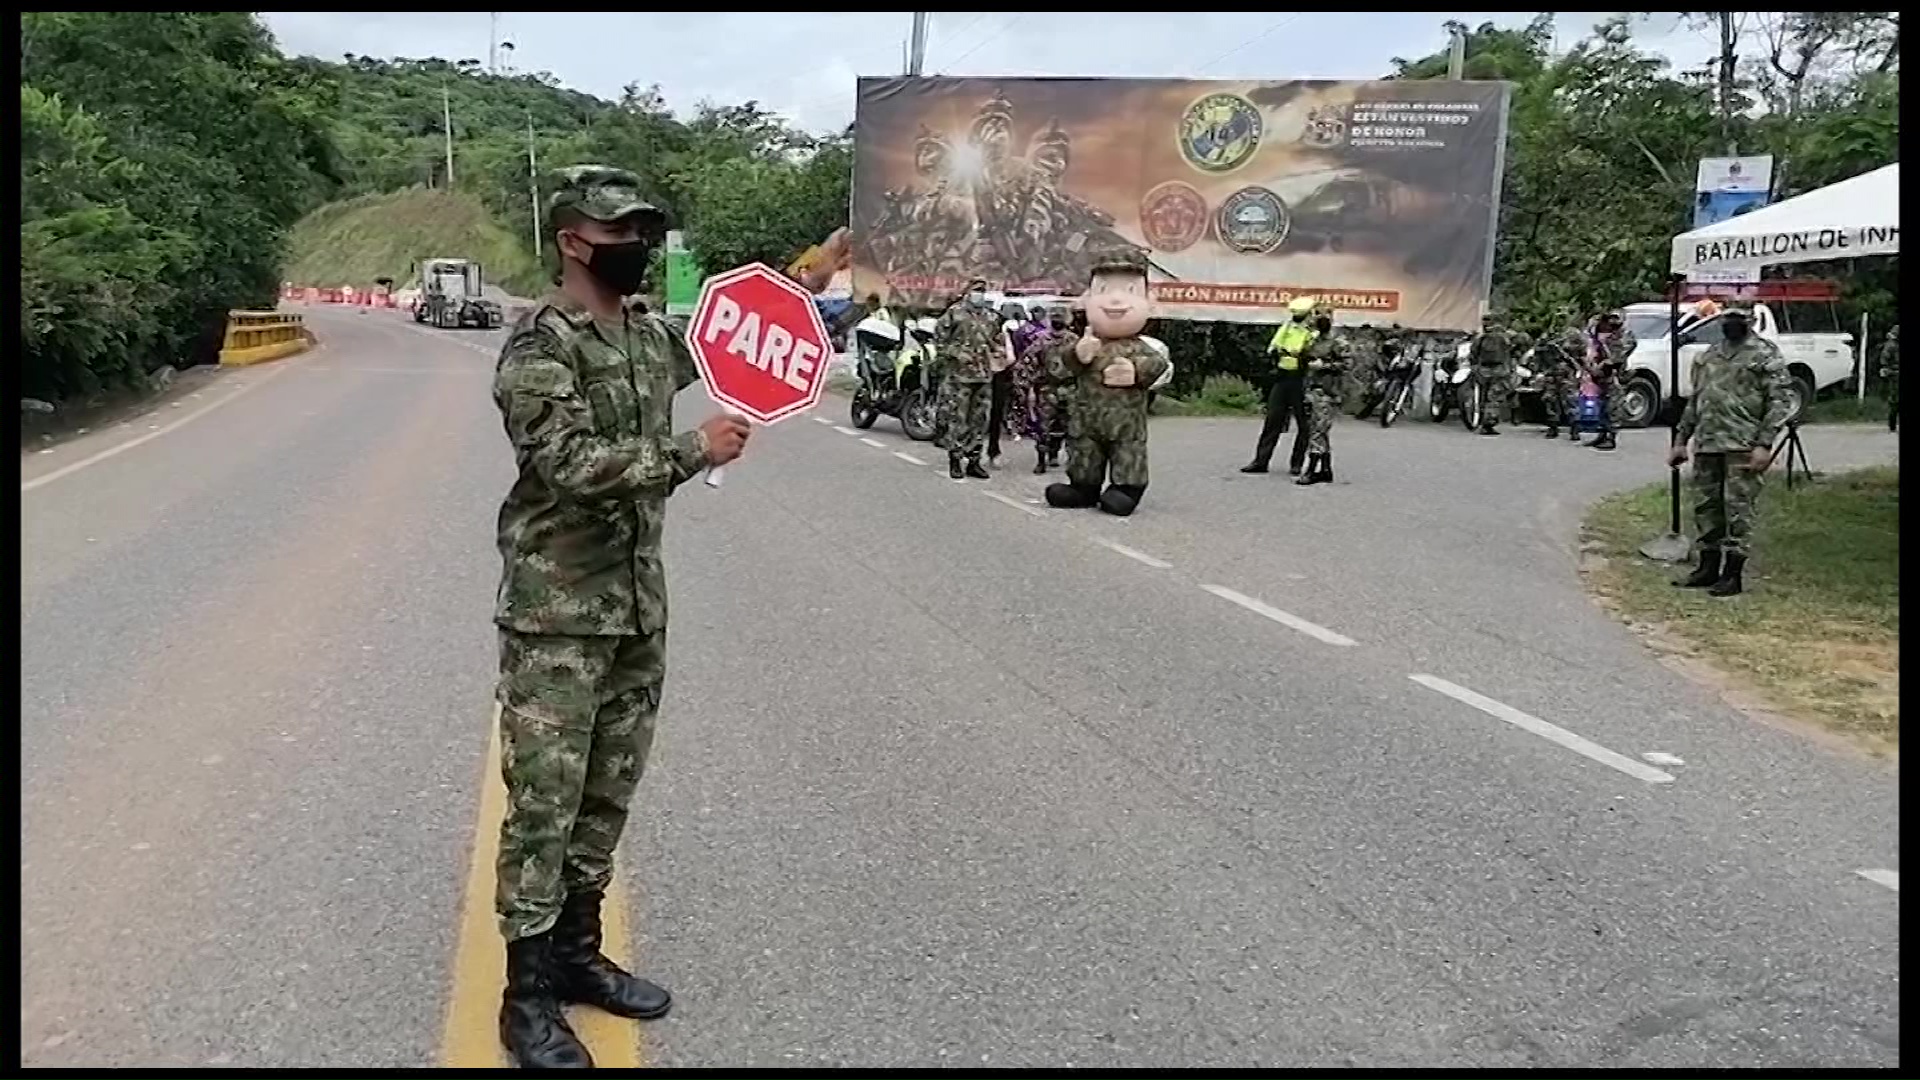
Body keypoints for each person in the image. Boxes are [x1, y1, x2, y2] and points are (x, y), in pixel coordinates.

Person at [490, 164, 844, 1068]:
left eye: (645, 231)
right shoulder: (540, 345)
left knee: (605, 798)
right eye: (622, 234)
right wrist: (695, 448)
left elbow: (728, 340)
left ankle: (576, 956)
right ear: (574, 240)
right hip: (560, 616)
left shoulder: (647, 335)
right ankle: (525, 999)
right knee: (546, 807)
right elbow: (566, 461)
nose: (639, 248)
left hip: (638, 608)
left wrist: (808, 275)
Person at [1667, 304, 1793, 598]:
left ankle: (1732, 574)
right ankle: (1707, 567)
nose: (1731, 324)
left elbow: (1780, 402)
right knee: (1706, 507)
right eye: (1727, 319)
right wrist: (1680, 441)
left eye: (1738, 319)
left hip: (1743, 445)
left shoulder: (1765, 354)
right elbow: (1696, 400)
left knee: (1738, 509)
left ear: (1749, 321)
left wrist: (1764, 444)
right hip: (1708, 444)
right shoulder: (1709, 355)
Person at [1044, 250, 1169, 516]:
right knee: (1083, 451)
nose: (1115, 299)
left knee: (1128, 452)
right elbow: (1057, 369)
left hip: (1125, 421)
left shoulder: (1139, 347)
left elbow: (1158, 364)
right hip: (1086, 418)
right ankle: (1083, 487)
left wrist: (1136, 371)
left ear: (1148, 300)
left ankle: (1127, 489)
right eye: (1103, 289)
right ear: (1087, 298)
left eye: (1130, 290)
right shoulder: (1084, 342)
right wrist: (1078, 354)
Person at [1241, 295, 1319, 475]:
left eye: (1299, 315)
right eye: (1295, 315)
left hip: (1302, 380)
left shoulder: (1313, 333)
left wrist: (1299, 354)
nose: (1296, 318)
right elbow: (1273, 346)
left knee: (1304, 424)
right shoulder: (1288, 327)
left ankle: (1297, 464)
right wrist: (1279, 351)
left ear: (1308, 315)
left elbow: (1311, 353)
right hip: (1283, 377)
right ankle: (1260, 461)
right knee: (1272, 420)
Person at [935, 279, 1002, 480]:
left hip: (983, 377)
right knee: (958, 419)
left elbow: (996, 341)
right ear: (967, 292)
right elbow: (939, 341)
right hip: (959, 377)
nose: (980, 294)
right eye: (976, 290)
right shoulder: (954, 313)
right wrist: (956, 353)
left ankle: (974, 461)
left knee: (980, 420)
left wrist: (998, 352)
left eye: (983, 290)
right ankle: (955, 459)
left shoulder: (990, 317)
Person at [1013, 307, 1077, 474]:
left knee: (1071, 427)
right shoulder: (1040, 340)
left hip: (1070, 388)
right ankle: (1042, 460)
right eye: (1055, 318)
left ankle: (1067, 459)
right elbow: (1026, 363)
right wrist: (1026, 387)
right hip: (1048, 388)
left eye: (1060, 318)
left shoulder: (1074, 341)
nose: (1058, 322)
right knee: (1043, 427)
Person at [1295, 309, 1351, 485]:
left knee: (1318, 430)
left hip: (1328, 391)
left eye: (1324, 316)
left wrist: (1325, 366)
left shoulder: (1339, 342)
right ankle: (1326, 470)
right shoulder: (1314, 339)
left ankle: (1311, 470)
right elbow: (1305, 357)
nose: (1320, 319)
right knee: (1319, 429)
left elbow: (1347, 364)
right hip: (1312, 388)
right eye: (1317, 315)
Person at [1584, 310, 1637, 451]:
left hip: (1614, 375)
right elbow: (1592, 331)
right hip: (1602, 376)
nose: (1612, 321)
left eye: (1615, 318)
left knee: (1613, 406)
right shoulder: (1606, 334)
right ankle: (1602, 434)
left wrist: (1604, 364)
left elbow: (1618, 357)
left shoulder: (1624, 335)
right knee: (1602, 406)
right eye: (1610, 318)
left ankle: (1611, 437)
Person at [1467, 313, 1517, 435]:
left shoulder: (1481, 337)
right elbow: (1513, 348)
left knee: (1484, 397)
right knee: (1494, 398)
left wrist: (1474, 367)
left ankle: (1483, 422)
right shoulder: (1505, 336)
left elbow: (1473, 353)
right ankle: (1488, 424)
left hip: (1483, 370)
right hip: (1499, 371)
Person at [1537, 317, 1586, 440]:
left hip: (1567, 372)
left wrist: (1567, 350)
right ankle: (1553, 427)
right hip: (1551, 372)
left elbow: (1583, 350)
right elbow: (1538, 350)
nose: (1560, 320)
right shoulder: (1548, 334)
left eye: (1563, 317)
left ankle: (1575, 428)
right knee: (1550, 400)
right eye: (1558, 317)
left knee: (1570, 400)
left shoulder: (1573, 333)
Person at [1877, 325, 1898, 433]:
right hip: (1894, 374)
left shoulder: (1891, 345)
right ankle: (1892, 425)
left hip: (1894, 373)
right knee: (1895, 400)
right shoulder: (1891, 345)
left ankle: (1892, 425)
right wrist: (1885, 369)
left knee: (1894, 401)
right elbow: (1884, 359)